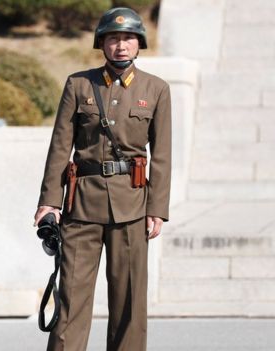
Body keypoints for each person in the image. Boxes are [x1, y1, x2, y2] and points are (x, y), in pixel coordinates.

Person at [34, 7, 172, 351]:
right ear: (102, 44)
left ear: (139, 44)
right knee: (70, 303)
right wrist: (49, 201)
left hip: (132, 207)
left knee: (129, 305)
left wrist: (157, 209)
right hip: (81, 209)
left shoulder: (156, 89)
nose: (121, 45)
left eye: (128, 38)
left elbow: (163, 156)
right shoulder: (79, 84)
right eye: (113, 38)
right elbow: (59, 147)